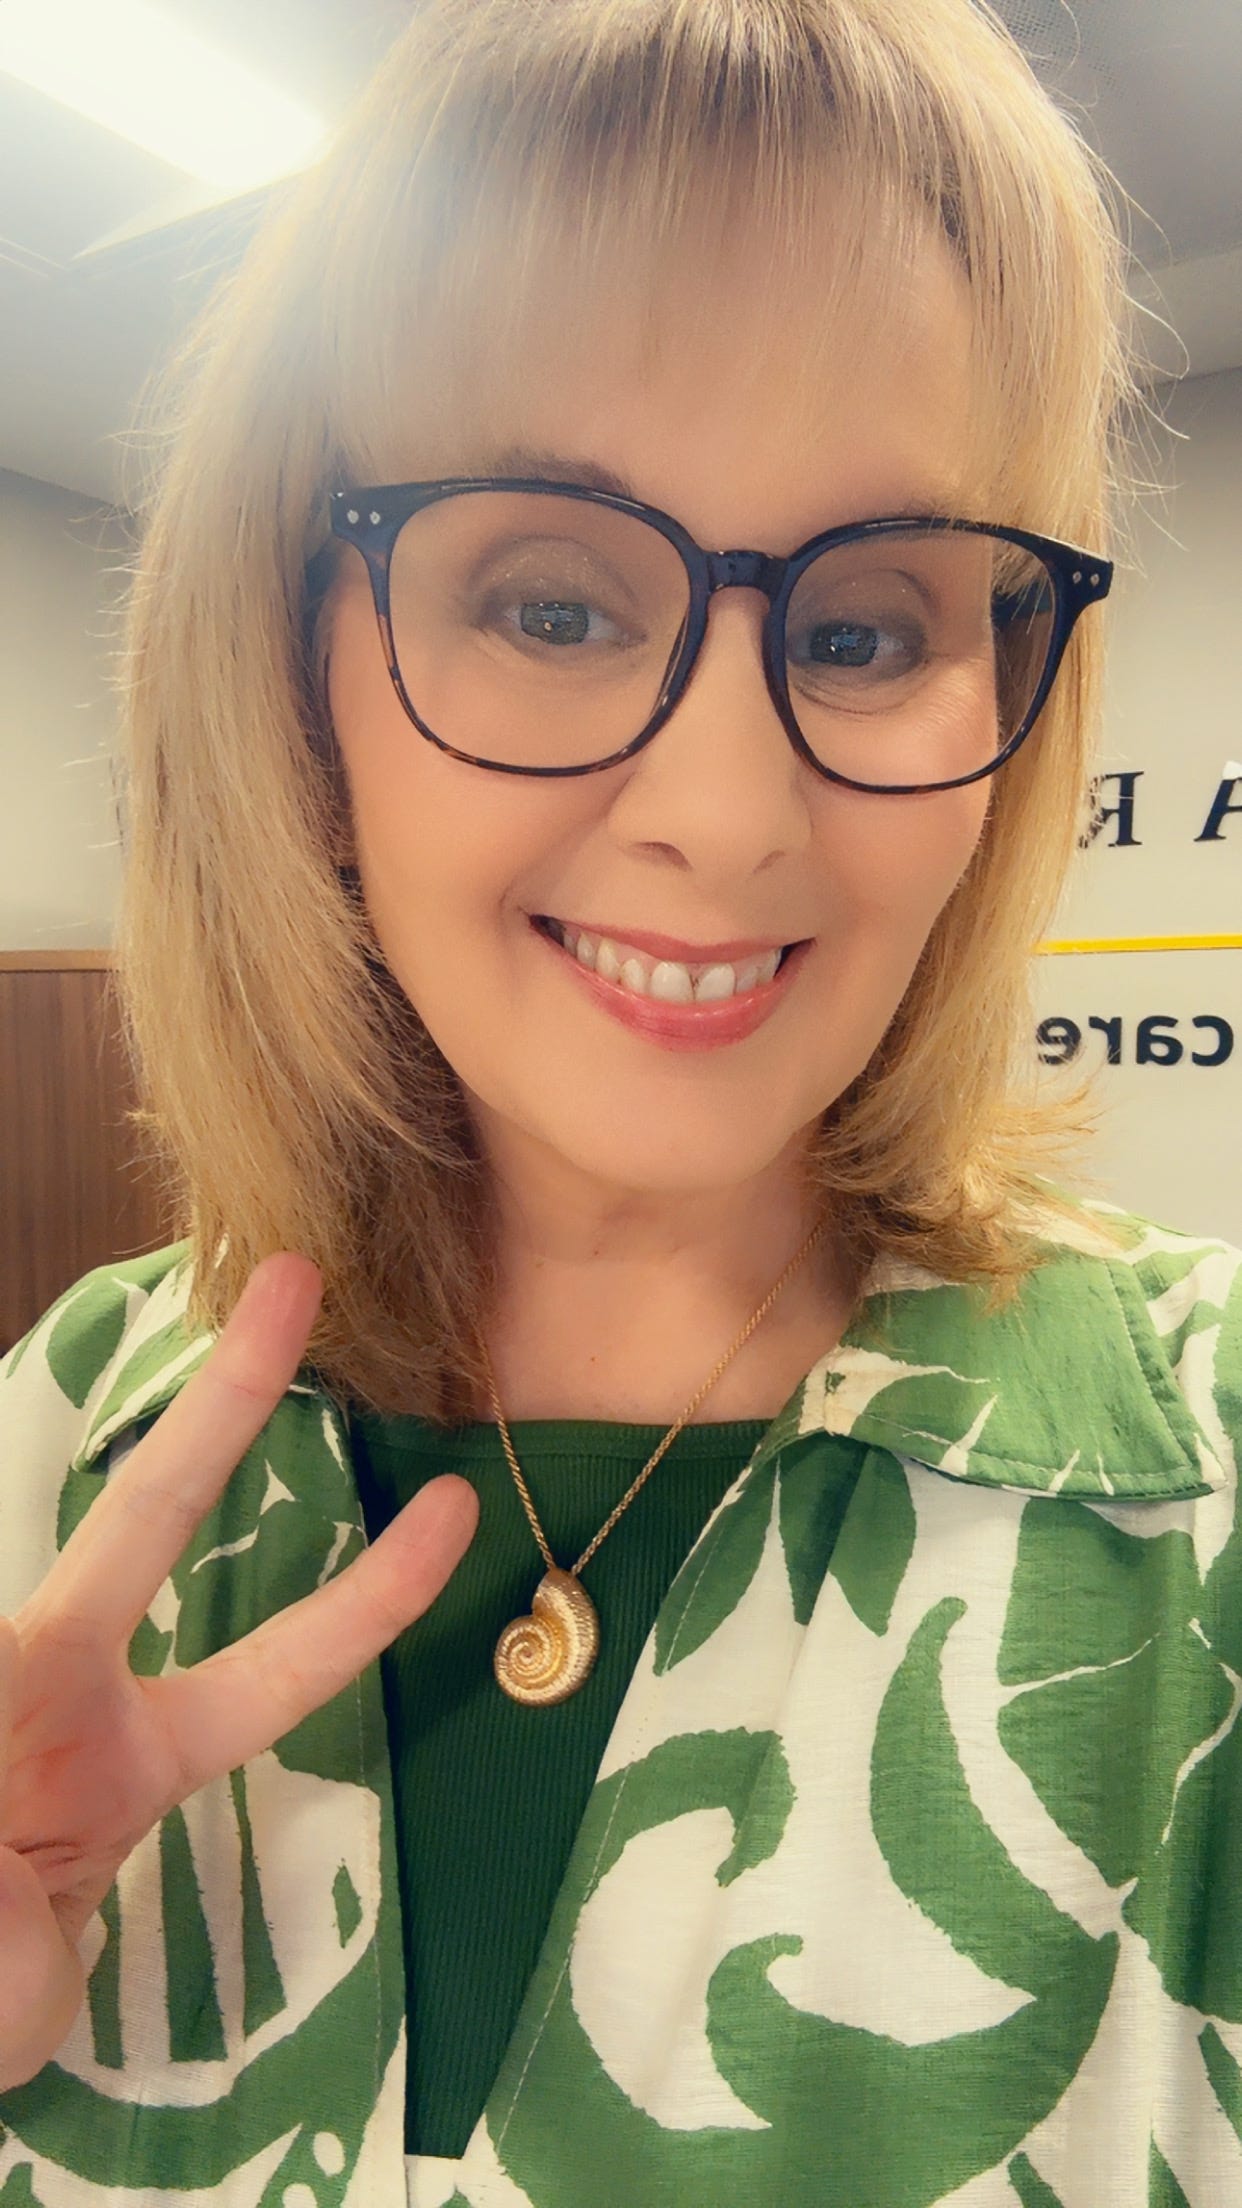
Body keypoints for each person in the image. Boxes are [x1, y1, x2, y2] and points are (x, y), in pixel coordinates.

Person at [1, 0, 1238, 2201]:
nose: (728, 813)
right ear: (298, 659)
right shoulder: (68, 1442)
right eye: (554, 603)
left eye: (862, 631)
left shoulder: (1202, 1490)